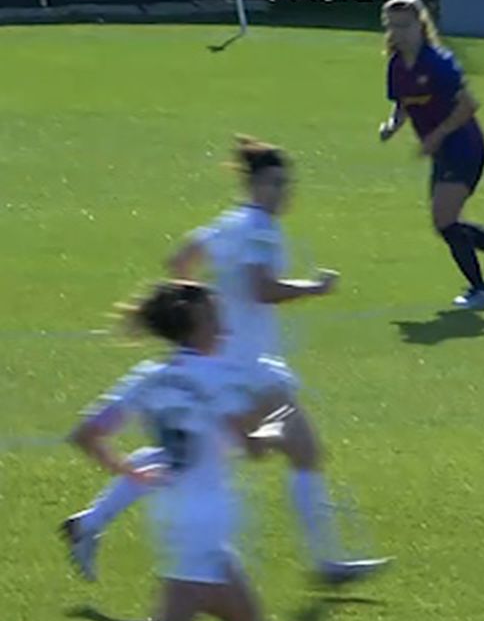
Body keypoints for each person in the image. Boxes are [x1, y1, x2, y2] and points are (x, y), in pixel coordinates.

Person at [60, 137, 389, 586]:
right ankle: (325, 561)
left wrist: (196, 316)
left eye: (286, 183)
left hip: (230, 365)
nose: (283, 191)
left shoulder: (228, 224)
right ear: (254, 185)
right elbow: (261, 288)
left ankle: (88, 523)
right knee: (297, 451)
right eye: (274, 183)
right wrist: (314, 288)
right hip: (246, 375)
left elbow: (180, 260)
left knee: (198, 453)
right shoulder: (260, 230)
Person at [37, 281, 331, 621]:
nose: (224, 324)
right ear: (197, 328)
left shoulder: (149, 378)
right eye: (215, 317)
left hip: (175, 517)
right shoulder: (218, 379)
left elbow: (86, 433)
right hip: (203, 524)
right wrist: (279, 415)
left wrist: (126, 469)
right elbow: (256, 448)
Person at [379, 0, 484, 311]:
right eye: (392, 26)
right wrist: (392, 125)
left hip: (465, 146)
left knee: (445, 218)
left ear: (421, 26)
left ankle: (481, 290)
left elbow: (469, 105)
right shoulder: (397, 65)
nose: (398, 32)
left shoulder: (438, 62)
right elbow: (403, 104)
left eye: (405, 26)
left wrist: (435, 136)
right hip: (442, 150)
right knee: (445, 223)